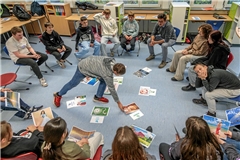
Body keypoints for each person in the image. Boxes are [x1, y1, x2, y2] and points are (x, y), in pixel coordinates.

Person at [53, 56, 126, 111]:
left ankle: (98, 97)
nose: (118, 76)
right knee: (72, 84)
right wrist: (119, 103)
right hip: (83, 68)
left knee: (103, 81)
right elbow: (112, 89)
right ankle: (58, 94)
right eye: (118, 74)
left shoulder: (111, 60)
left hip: (90, 63)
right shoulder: (107, 74)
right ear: (115, 72)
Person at [159, 116, 223, 160]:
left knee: (162, 146)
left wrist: (177, 141)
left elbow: (172, 153)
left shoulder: (183, 145)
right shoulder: (214, 144)